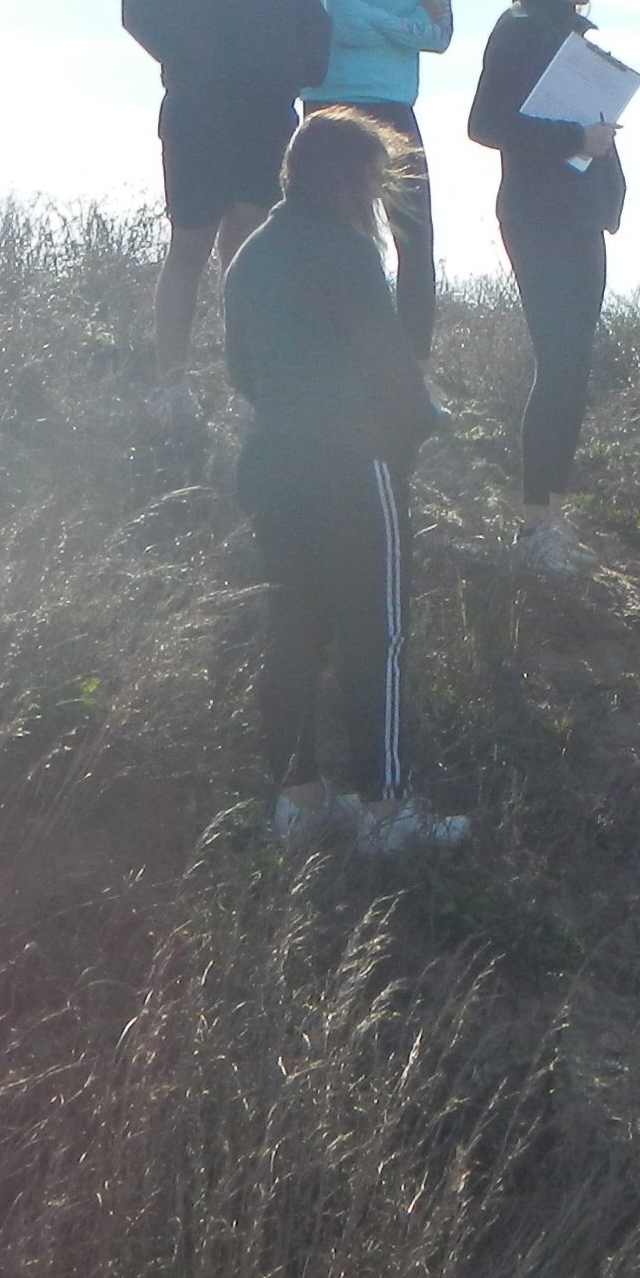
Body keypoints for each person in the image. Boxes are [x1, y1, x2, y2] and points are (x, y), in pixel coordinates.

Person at [218, 111, 468, 855]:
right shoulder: (347, 252)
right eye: (373, 176)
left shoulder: (251, 254)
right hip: (355, 464)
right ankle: (387, 812)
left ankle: (299, 802)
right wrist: (427, 426)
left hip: (270, 460)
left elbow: (240, 374)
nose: (379, 192)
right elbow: (390, 372)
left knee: (292, 631)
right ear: (345, 177)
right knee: (376, 636)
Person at [120, 0, 329, 421]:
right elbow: (139, 11)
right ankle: (171, 388)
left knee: (250, 247)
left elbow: (312, 28)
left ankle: (245, 389)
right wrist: (199, 62)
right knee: (190, 240)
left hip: (267, 116)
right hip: (198, 109)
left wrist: (293, 71)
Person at [468, 0, 627, 575]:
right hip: (537, 214)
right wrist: (573, 142)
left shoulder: (576, 37)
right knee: (559, 363)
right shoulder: (519, 26)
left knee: (576, 368)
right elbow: (484, 123)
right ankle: (534, 528)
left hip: (581, 212)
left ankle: (554, 518)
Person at [311, 0, 454, 359]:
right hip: (339, 103)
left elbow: (441, 34)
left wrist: (382, 21)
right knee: (345, 235)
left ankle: (412, 363)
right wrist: (406, 25)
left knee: (415, 235)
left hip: (397, 103)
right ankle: (336, 351)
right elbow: (343, 20)